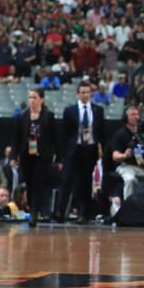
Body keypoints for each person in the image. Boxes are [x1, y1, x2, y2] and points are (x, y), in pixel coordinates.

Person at [55, 81, 106, 223]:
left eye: (87, 92)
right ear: (77, 94)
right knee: (66, 180)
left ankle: (83, 213)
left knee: (85, 182)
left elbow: (101, 132)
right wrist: (62, 154)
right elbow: (63, 134)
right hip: (73, 150)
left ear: (91, 94)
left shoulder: (98, 110)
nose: (85, 95)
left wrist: (102, 148)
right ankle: (60, 211)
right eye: (82, 92)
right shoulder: (69, 110)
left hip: (89, 150)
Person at [10, 88, 59, 223]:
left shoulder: (48, 116)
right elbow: (16, 138)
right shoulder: (22, 116)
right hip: (26, 155)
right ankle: (33, 208)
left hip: (42, 156)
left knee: (38, 183)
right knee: (29, 184)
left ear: (41, 99)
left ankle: (34, 212)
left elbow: (55, 138)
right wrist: (14, 156)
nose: (32, 100)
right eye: (30, 97)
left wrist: (59, 158)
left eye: (35, 97)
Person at [107, 105, 144, 201]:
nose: (136, 117)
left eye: (137, 114)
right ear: (126, 118)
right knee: (130, 180)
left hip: (143, 165)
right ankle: (128, 206)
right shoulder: (120, 134)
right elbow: (115, 156)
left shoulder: (143, 132)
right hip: (127, 166)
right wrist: (124, 155)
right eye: (133, 115)